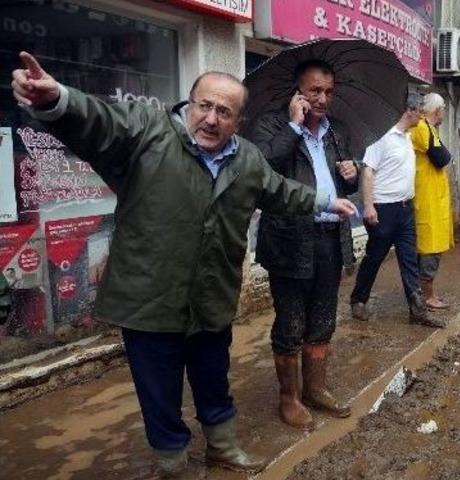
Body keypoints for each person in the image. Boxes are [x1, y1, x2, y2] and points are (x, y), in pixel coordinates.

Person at [10, 51, 356, 476]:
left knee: (214, 379)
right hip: (149, 300)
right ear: (189, 104)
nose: (211, 119)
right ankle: (173, 462)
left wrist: (326, 201)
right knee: (159, 390)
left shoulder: (246, 158)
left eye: (224, 112)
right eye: (204, 106)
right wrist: (56, 99)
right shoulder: (149, 131)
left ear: (238, 122)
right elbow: (101, 121)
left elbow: (281, 190)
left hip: (211, 297)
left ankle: (222, 448)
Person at [245, 60, 359, 431]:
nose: (323, 99)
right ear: (298, 91)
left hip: (330, 238)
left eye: (328, 91)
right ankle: (289, 398)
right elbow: (261, 169)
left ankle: (316, 389)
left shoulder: (336, 131)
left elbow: (343, 184)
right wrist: (293, 126)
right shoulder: (271, 125)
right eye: (315, 91)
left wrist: (352, 174)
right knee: (291, 322)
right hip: (289, 239)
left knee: (323, 319)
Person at [349, 93, 444, 328]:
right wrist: (368, 206)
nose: (422, 118)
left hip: (405, 209)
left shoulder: (408, 138)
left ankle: (417, 310)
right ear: (409, 111)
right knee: (375, 257)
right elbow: (367, 172)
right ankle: (358, 300)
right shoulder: (383, 139)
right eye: (420, 113)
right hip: (384, 210)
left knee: (409, 260)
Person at [410, 92, 454, 311]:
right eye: (443, 109)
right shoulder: (421, 127)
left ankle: (424, 293)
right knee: (429, 248)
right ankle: (427, 296)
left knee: (431, 247)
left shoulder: (429, 129)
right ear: (438, 110)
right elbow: (442, 157)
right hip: (427, 199)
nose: (444, 112)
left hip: (433, 198)